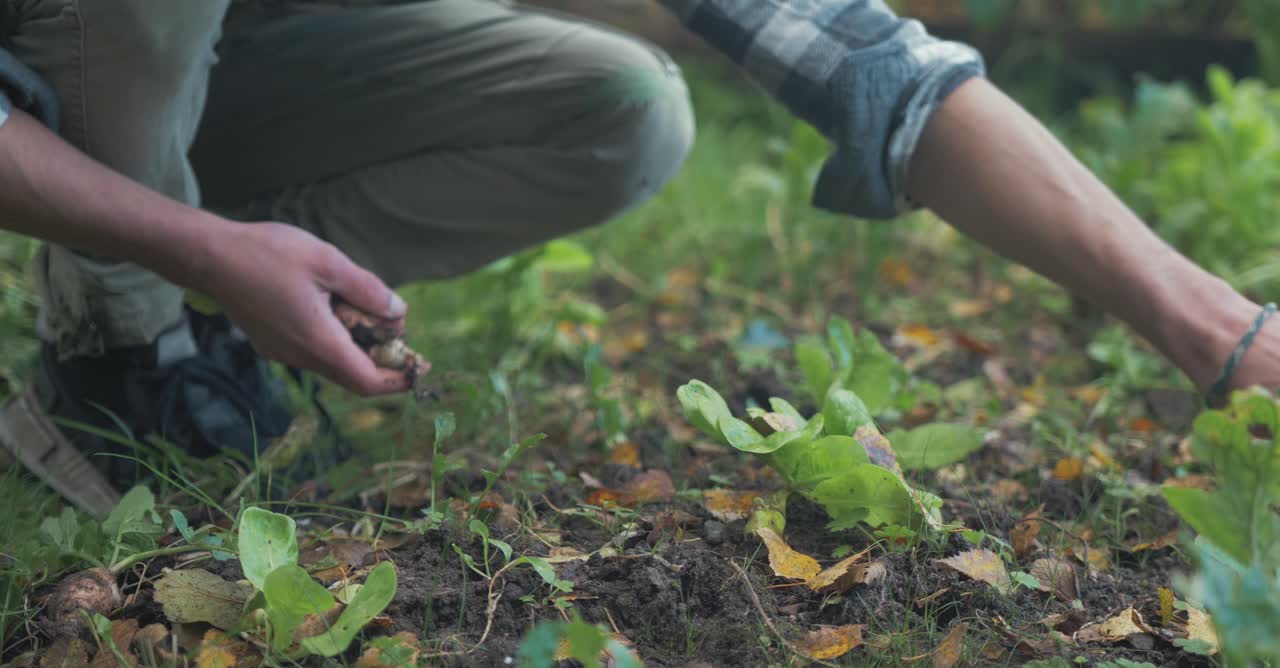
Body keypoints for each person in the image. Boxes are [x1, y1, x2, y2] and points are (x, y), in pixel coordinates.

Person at [0, 0, 1273, 516]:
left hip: (247, 67)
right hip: (62, 68)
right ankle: (120, 338)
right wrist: (195, 247)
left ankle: (237, 290)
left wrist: (1219, 333)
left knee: (623, 104)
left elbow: (868, 65)